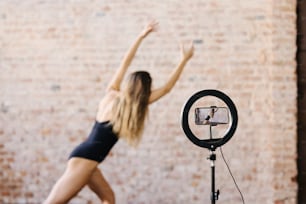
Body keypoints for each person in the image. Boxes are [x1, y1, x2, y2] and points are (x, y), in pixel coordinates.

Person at [44, 21, 194, 204]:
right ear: (144, 91)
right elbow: (167, 88)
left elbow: (125, 62)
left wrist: (141, 36)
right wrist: (183, 60)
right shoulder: (132, 106)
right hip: (85, 160)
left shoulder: (112, 92)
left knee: (108, 198)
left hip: (86, 157)